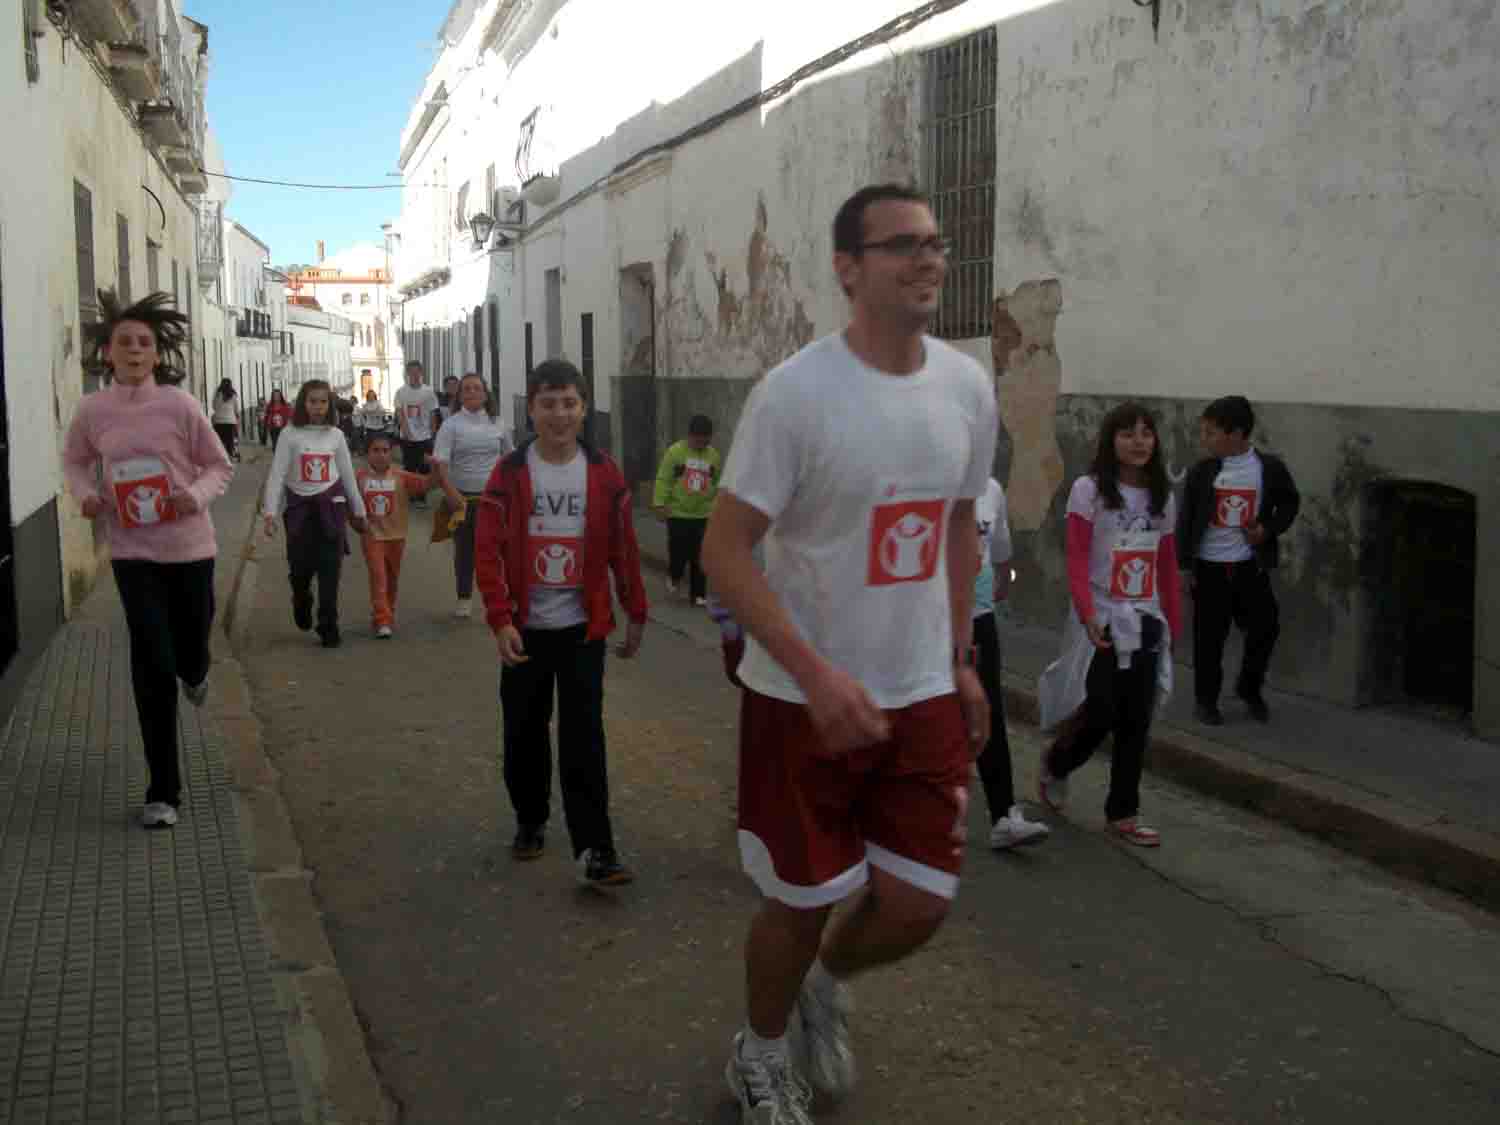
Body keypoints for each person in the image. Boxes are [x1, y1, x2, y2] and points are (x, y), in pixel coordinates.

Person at [701, 184, 995, 1123]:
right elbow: (724, 549)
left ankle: (822, 986)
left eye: (935, 244)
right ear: (849, 268)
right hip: (800, 698)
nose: (928, 259)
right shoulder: (794, 395)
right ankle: (758, 1051)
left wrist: (960, 655)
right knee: (799, 898)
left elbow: (955, 524)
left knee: (919, 903)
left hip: (920, 692)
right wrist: (815, 672)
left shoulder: (966, 386)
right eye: (902, 244)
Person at [474, 359, 649, 888]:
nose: (560, 414)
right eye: (548, 403)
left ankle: (596, 848)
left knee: (583, 739)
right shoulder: (508, 474)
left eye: (570, 402)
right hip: (525, 630)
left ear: (583, 408)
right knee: (524, 733)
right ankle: (531, 817)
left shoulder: (604, 473)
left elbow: (624, 547)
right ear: (531, 409)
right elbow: (487, 553)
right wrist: (500, 620)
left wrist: (634, 609)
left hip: (582, 630)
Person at [62, 291, 233, 829]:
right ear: (108, 352)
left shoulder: (181, 406)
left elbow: (219, 466)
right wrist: (85, 495)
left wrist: (194, 496)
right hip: (133, 554)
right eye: (125, 342)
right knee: (151, 665)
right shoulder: (93, 410)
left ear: (157, 354)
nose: (135, 350)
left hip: (190, 550)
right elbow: (73, 460)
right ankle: (163, 791)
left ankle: (197, 668)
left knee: (189, 649)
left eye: (145, 342)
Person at [1036, 402, 1182, 849]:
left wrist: (1172, 625)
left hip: (1145, 617)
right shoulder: (1090, 490)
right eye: (1127, 433)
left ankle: (1123, 812)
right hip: (1101, 615)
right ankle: (1057, 764)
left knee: (1136, 718)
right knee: (1100, 709)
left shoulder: (1163, 495)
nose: (1139, 442)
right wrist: (1087, 614)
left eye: (1146, 433)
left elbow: (1167, 564)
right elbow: (1077, 557)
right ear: (1110, 441)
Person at [1175, 396, 1301, 725]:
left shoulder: (1268, 468)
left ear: (1237, 434)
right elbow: (1186, 519)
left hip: (1249, 566)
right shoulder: (1202, 472)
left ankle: (1249, 687)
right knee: (1209, 639)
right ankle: (1206, 700)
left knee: (1265, 627)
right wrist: (1184, 566)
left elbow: (1289, 504)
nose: (1204, 439)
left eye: (1211, 432)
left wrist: (1267, 530)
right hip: (1209, 568)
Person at [972, 476, 1049, 849]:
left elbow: (999, 548)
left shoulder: (991, 490)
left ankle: (1003, 815)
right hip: (924, 619)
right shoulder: (923, 474)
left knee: (988, 711)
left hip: (978, 615)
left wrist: (1001, 576)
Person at [261, 379, 367, 648]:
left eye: (322, 402)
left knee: (330, 570)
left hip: (331, 508)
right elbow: (277, 475)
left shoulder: (336, 435)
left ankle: (328, 624)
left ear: (329, 404)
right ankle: (301, 597)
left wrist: (359, 509)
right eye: (312, 401)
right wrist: (270, 512)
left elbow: (347, 475)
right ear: (303, 403)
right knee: (300, 570)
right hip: (299, 511)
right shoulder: (289, 434)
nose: (317, 407)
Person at [433, 372, 512, 619]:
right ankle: (464, 597)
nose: (472, 393)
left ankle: (499, 599)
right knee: (465, 550)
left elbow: (509, 458)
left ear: (486, 393)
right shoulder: (451, 425)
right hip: (462, 499)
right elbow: (440, 465)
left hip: (493, 499)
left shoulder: (497, 423)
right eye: (466, 389)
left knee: (496, 551)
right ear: (460, 395)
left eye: (477, 388)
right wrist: (451, 493)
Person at [356, 434, 433, 638]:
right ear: (367, 453)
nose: (381, 455)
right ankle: (382, 619)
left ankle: (386, 613)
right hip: (372, 536)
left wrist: (438, 466)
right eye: (376, 450)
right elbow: (349, 503)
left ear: (391, 453)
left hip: (396, 536)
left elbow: (427, 484)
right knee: (378, 575)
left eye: (385, 451)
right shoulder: (360, 478)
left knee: (391, 579)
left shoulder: (401, 476)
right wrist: (356, 523)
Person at [652, 414, 721, 606]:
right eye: (697, 438)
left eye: (705, 439)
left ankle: (698, 594)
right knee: (678, 553)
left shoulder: (713, 456)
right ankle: (674, 577)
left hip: (703, 514)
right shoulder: (675, 453)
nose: (701, 443)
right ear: (689, 435)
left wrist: (718, 508)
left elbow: (717, 483)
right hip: (678, 514)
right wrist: (659, 503)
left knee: (701, 556)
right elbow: (664, 479)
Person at [394, 361, 440, 506]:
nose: (414, 375)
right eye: (411, 372)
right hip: (408, 437)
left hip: (425, 437)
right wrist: (406, 432)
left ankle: (421, 495)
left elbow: (433, 413)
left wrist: (432, 433)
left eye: (417, 372)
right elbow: (400, 413)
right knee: (409, 467)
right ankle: (411, 495)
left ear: (421, 373)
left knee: (425, 468)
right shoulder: (401, 392)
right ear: (408, 373)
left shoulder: (428, 391)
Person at [211, 377, 240, 462]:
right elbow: (236, 408)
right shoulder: (233, 395)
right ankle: (229, 457)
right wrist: (237, 416)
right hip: (230, 421)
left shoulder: (217, 394)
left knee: (220, 441)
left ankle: (220, 457)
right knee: (230, 441)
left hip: (218, 421)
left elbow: (214, 406)